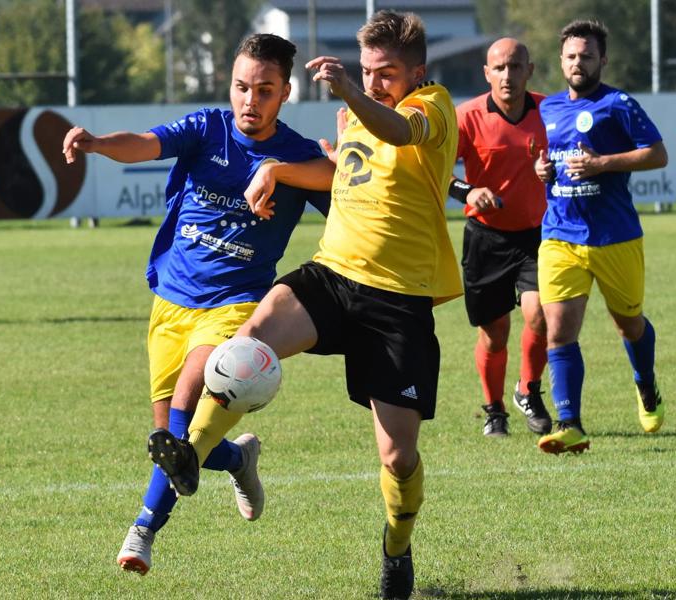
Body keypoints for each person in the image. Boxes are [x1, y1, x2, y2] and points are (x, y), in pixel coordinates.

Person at [145, 11, 460, 600]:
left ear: (417, 72)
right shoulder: (352, 119)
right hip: (333, 275)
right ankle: (194, 452)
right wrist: (274, 169)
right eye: (365, 72)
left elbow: (398, 132)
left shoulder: (434, 106)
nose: (373, 82)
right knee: (246, 343)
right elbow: (339, 172)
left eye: (386, 72)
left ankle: (397, 544)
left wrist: (346, 91)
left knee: (397, 457)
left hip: (398, 303)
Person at [62, 33, 335, 575]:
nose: (249, 100)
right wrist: (95, 144)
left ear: (285, 93)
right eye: (241, 87)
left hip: (237, 304)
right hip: (170, 300)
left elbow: (344, 192)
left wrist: (291, 169)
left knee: (189, 399)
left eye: (264, 90)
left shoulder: (298, 155)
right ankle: (239, 459)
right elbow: (142, 143)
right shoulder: (206, 128)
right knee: (175, 442)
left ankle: (141, 531)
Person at [533, 20, 669, 454]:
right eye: (571, 56)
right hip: (560, 235)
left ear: (602, 60)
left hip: (615, 236)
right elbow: (547, 161)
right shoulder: (547, 108)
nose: (578, 63)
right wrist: (543, 172)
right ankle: (569, 423)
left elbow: (657, 154)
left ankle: (645, 384)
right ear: (561, 60)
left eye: (587, 56)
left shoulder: (618, 103)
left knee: (629, 323)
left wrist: (603, 163)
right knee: (559, 331)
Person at [450, 37, 552, 438]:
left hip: (538, 236)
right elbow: (437, 172)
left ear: (529, 70)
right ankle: (494, 409)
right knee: (494, 335)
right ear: (486, 73)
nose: (507, 75)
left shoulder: (551, 111)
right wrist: (468, 192)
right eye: (499, 68)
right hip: (485, 238)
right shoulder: (466, 117)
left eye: (515, 66)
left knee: (541, 315)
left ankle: (529, 390)